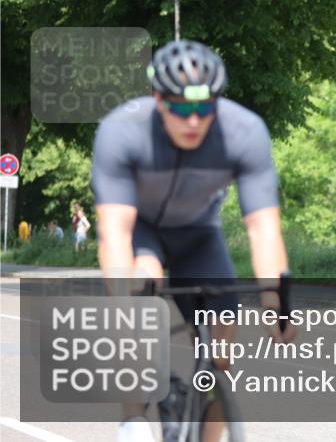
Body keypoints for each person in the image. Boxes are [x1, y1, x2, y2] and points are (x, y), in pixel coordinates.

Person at [91, 39, 293, 442]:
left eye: (205, 108)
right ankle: (133, 422)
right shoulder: (121, 131)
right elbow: (115, 233)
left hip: (198, 233)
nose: (194, 120)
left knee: (223, 341)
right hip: (141, 229)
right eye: (182, 108)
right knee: (141, 289)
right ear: (158, 100)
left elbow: (263, 229)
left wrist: (277, 306)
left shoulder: (245, 132)